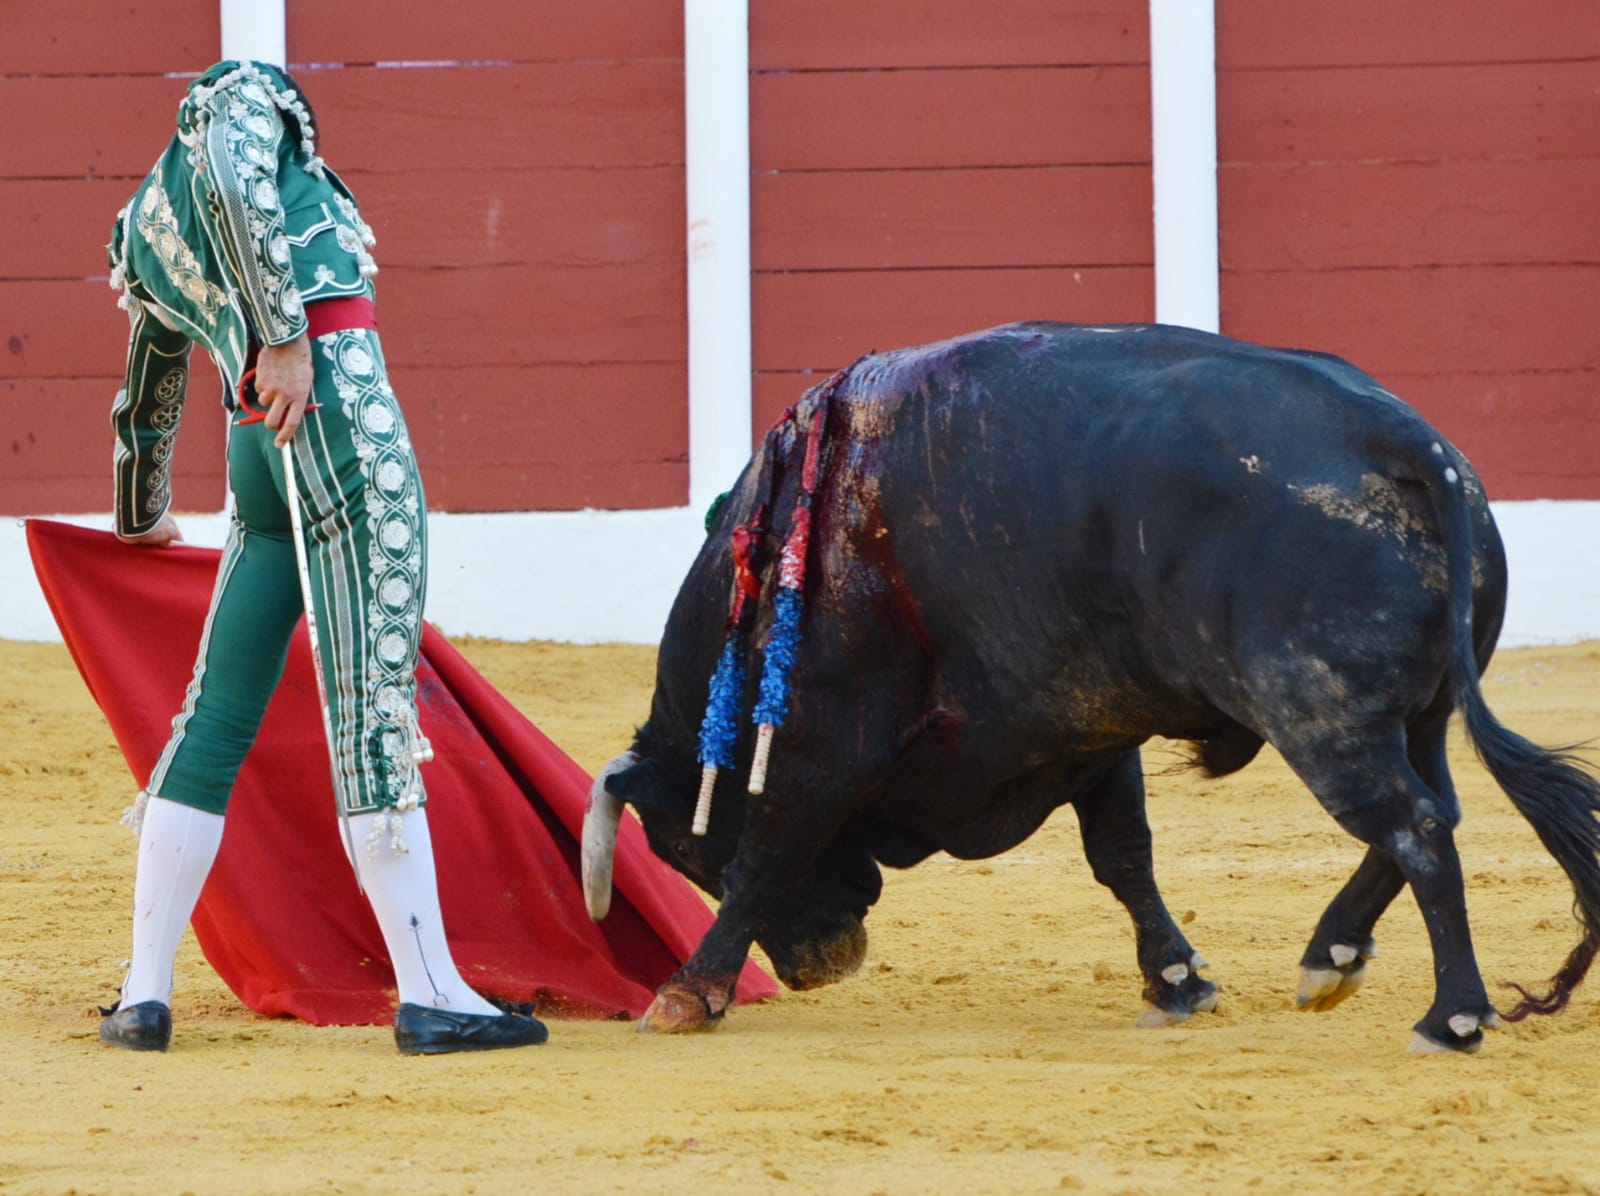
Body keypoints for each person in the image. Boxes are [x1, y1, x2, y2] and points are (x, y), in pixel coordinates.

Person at [99, 60, 546, 1055]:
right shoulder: (241, 100)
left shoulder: (145, 219)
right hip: (332, 404)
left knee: (212, 714)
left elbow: (150, 372)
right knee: (370, 704)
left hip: (254, 441)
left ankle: (143, 993)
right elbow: (232, 166)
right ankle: (430, 991)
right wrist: (285, 335)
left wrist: (140, 509)